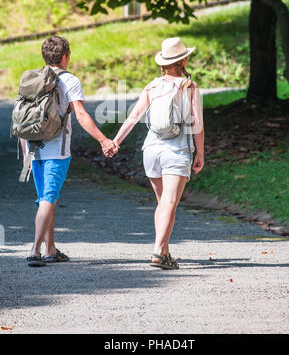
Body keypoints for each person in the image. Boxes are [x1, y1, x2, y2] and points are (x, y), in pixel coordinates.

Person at [104, 37, 204, 269]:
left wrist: (116, 141)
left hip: (151, 150)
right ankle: (158, 251)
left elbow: (133, 116)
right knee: (169, 202)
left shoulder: (152, 86)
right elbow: (197, 123)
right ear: (184, 60)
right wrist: (201, 153)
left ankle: (165, 252)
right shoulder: (189, 86)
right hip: (176, 150)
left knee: (162, 203)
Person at [21, 35, 117, 267]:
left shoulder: (30, 78)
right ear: (64, 57)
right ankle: (35, 250)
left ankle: (51, 249)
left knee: (46, 198)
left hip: (33, 149)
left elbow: (22, 117)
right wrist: (104, 140)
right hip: (56, 150)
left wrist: (25, 152)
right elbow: (81, 115)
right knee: (48, 198)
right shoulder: (69, 80)